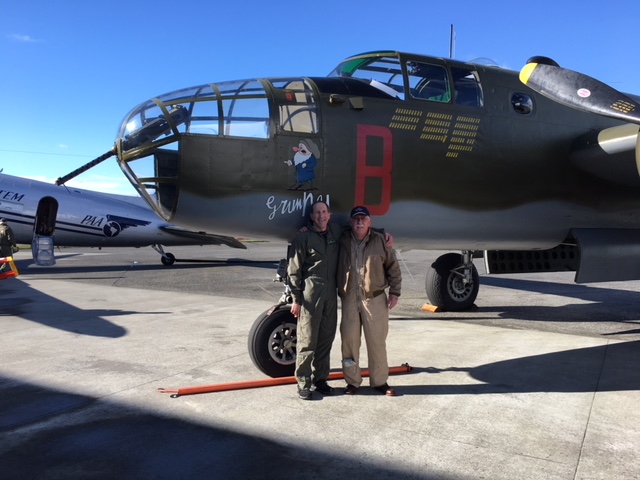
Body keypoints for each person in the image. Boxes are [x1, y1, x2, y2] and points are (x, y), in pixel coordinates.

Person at [337, 206, 402, 396]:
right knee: (349, 342)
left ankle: (380, 382)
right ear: (350, 222)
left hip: (374, 299)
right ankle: (352, 382)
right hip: (349, 298)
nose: (359, 222)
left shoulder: (381, 241)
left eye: (363, 219)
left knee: (377, 343)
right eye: (356, 219)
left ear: (369, 222)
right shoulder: (342, 239)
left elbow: (393, 267)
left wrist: (395, 292)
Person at [288, 201, 343, 400]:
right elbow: (294, 270)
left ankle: (321, 379)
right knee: (307, 340)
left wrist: (384, 234)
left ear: (329, 215)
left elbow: (359, 227)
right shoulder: (303, 238)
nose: (321, 216)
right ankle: (303, 382)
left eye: (324, 212)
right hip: (310, 294)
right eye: (317, 213)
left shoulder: (336, 232)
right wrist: (296, 299)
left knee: (326, 340)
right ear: (311, 216)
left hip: (330, 293)